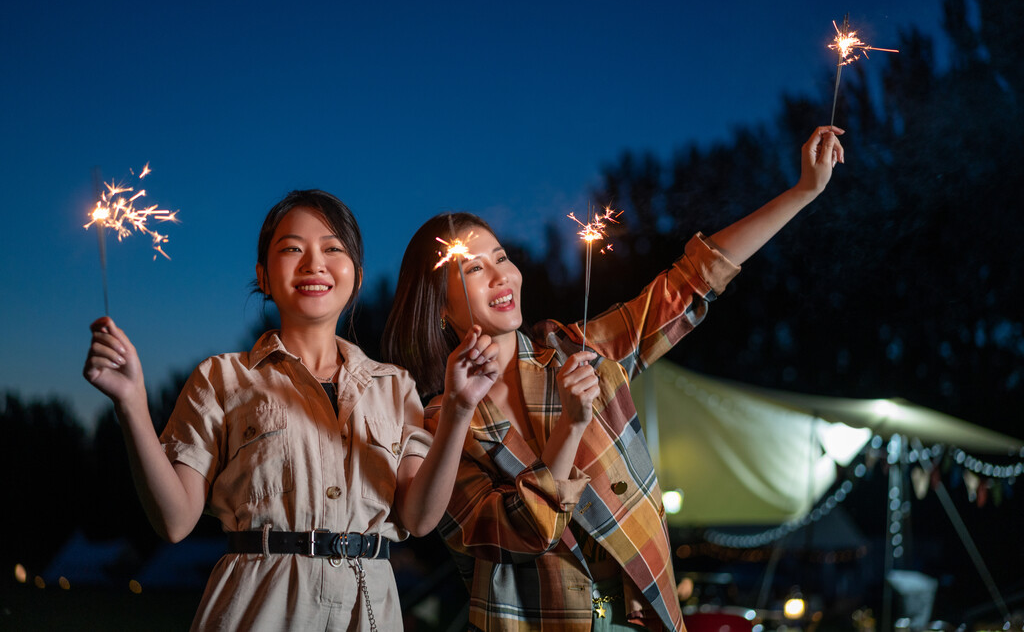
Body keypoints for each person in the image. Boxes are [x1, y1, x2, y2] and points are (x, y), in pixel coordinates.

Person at [381, 127, 845, 631]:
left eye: (501, 257)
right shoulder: (440, 423)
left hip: (642, 612)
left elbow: (690, 283)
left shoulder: (578, 351)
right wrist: (572, 427)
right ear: (442, 308)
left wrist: (803, 191)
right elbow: (511, 536)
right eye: (473, 269)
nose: (502, 276)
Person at [83, 189, 495, 631]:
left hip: (369, 610)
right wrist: (132, 403)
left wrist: (458, 409)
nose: (313, 263)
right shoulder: (221, 379)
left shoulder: (394, 386)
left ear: (356, 276)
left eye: (332, 248)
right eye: (292, 249)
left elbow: (419, 517)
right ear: (262, 276)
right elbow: (174, 521)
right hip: (259, 609)